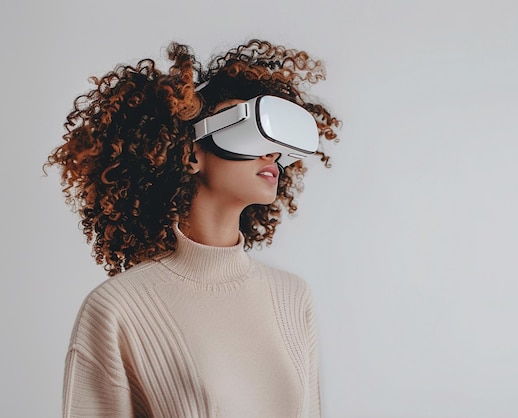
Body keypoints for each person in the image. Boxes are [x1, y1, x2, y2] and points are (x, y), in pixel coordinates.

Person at [46, 39, 340, 418]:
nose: (271, 154)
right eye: (250, 133)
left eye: (277, 144)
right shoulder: (117, 310)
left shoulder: (292, 297)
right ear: (190, 154)